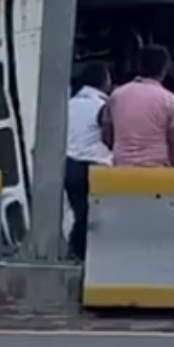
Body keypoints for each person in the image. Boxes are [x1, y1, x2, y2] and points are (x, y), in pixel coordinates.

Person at [103, 45, 174, 168]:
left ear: (138, 66)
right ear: (164, 69)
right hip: (156, 172)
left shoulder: (116, 96)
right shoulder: (170, 101)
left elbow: (106, 136)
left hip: (122, 170)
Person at [65, 61, 113, 261]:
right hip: (94, 168)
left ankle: (76, 253)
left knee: (81, 215)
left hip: (69, 167)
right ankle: (84, 254)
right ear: (103, 81)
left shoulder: (69, 103)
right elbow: (108, 137)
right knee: (97, 218)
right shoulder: (101, 106)